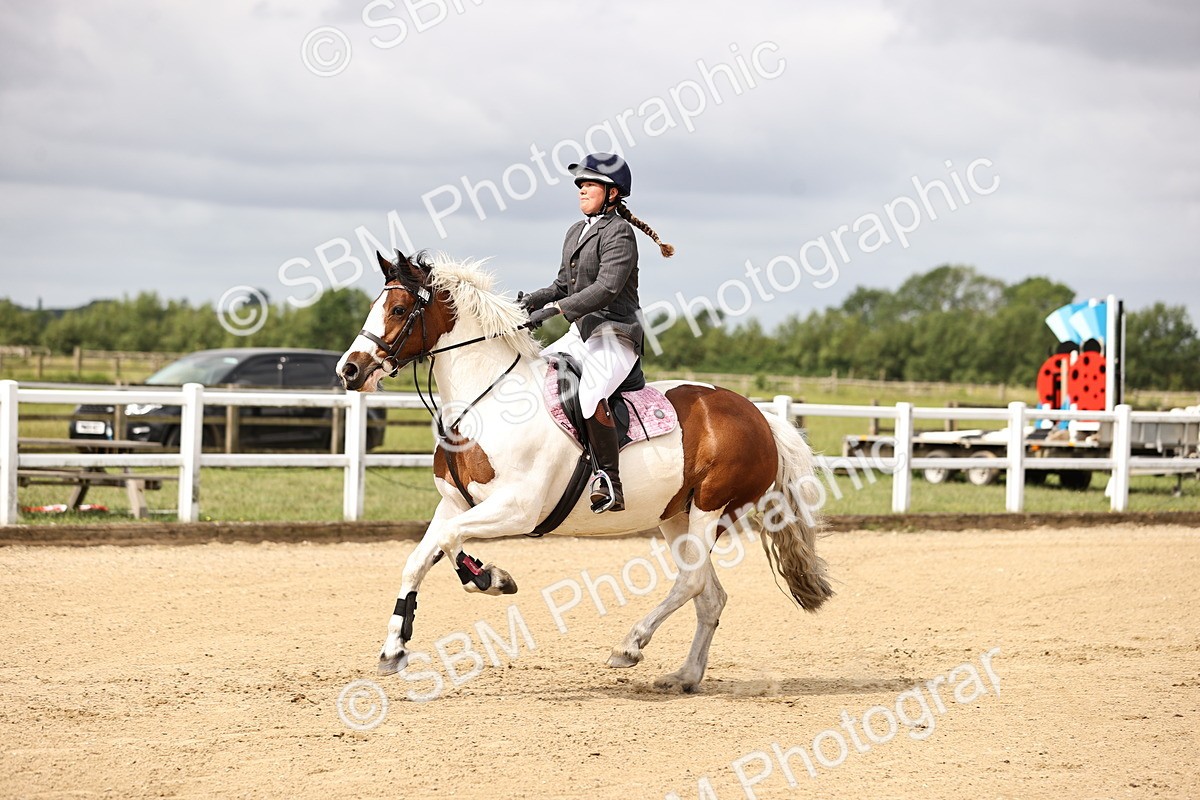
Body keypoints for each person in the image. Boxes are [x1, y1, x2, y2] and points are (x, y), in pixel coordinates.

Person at [520, 152, 674, 513]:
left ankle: (609, 479)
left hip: (615, 334)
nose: (581, 189)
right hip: (582, 333)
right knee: (532, 377)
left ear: (613, 193)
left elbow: (606, 288)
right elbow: (563, 283)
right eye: (580, 184)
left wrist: (556, 311)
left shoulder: (620, 233)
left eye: (589, 183)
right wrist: (531, 301)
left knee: (589, 395)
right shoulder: (576, 231)